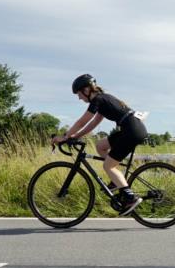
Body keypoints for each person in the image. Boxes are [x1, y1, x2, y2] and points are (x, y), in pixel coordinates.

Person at [52, 74, 146, 215]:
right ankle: (117, 180)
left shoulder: (98, 100)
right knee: (100, 146)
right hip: (131, 128)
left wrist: (64, 137)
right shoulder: (103, 99)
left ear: (86, 90)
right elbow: (94, 123)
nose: (79, 97)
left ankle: (130, 198)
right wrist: (75, 136)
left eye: (79, 94)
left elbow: (82, 121)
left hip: (131, 131)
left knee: (108, 165)